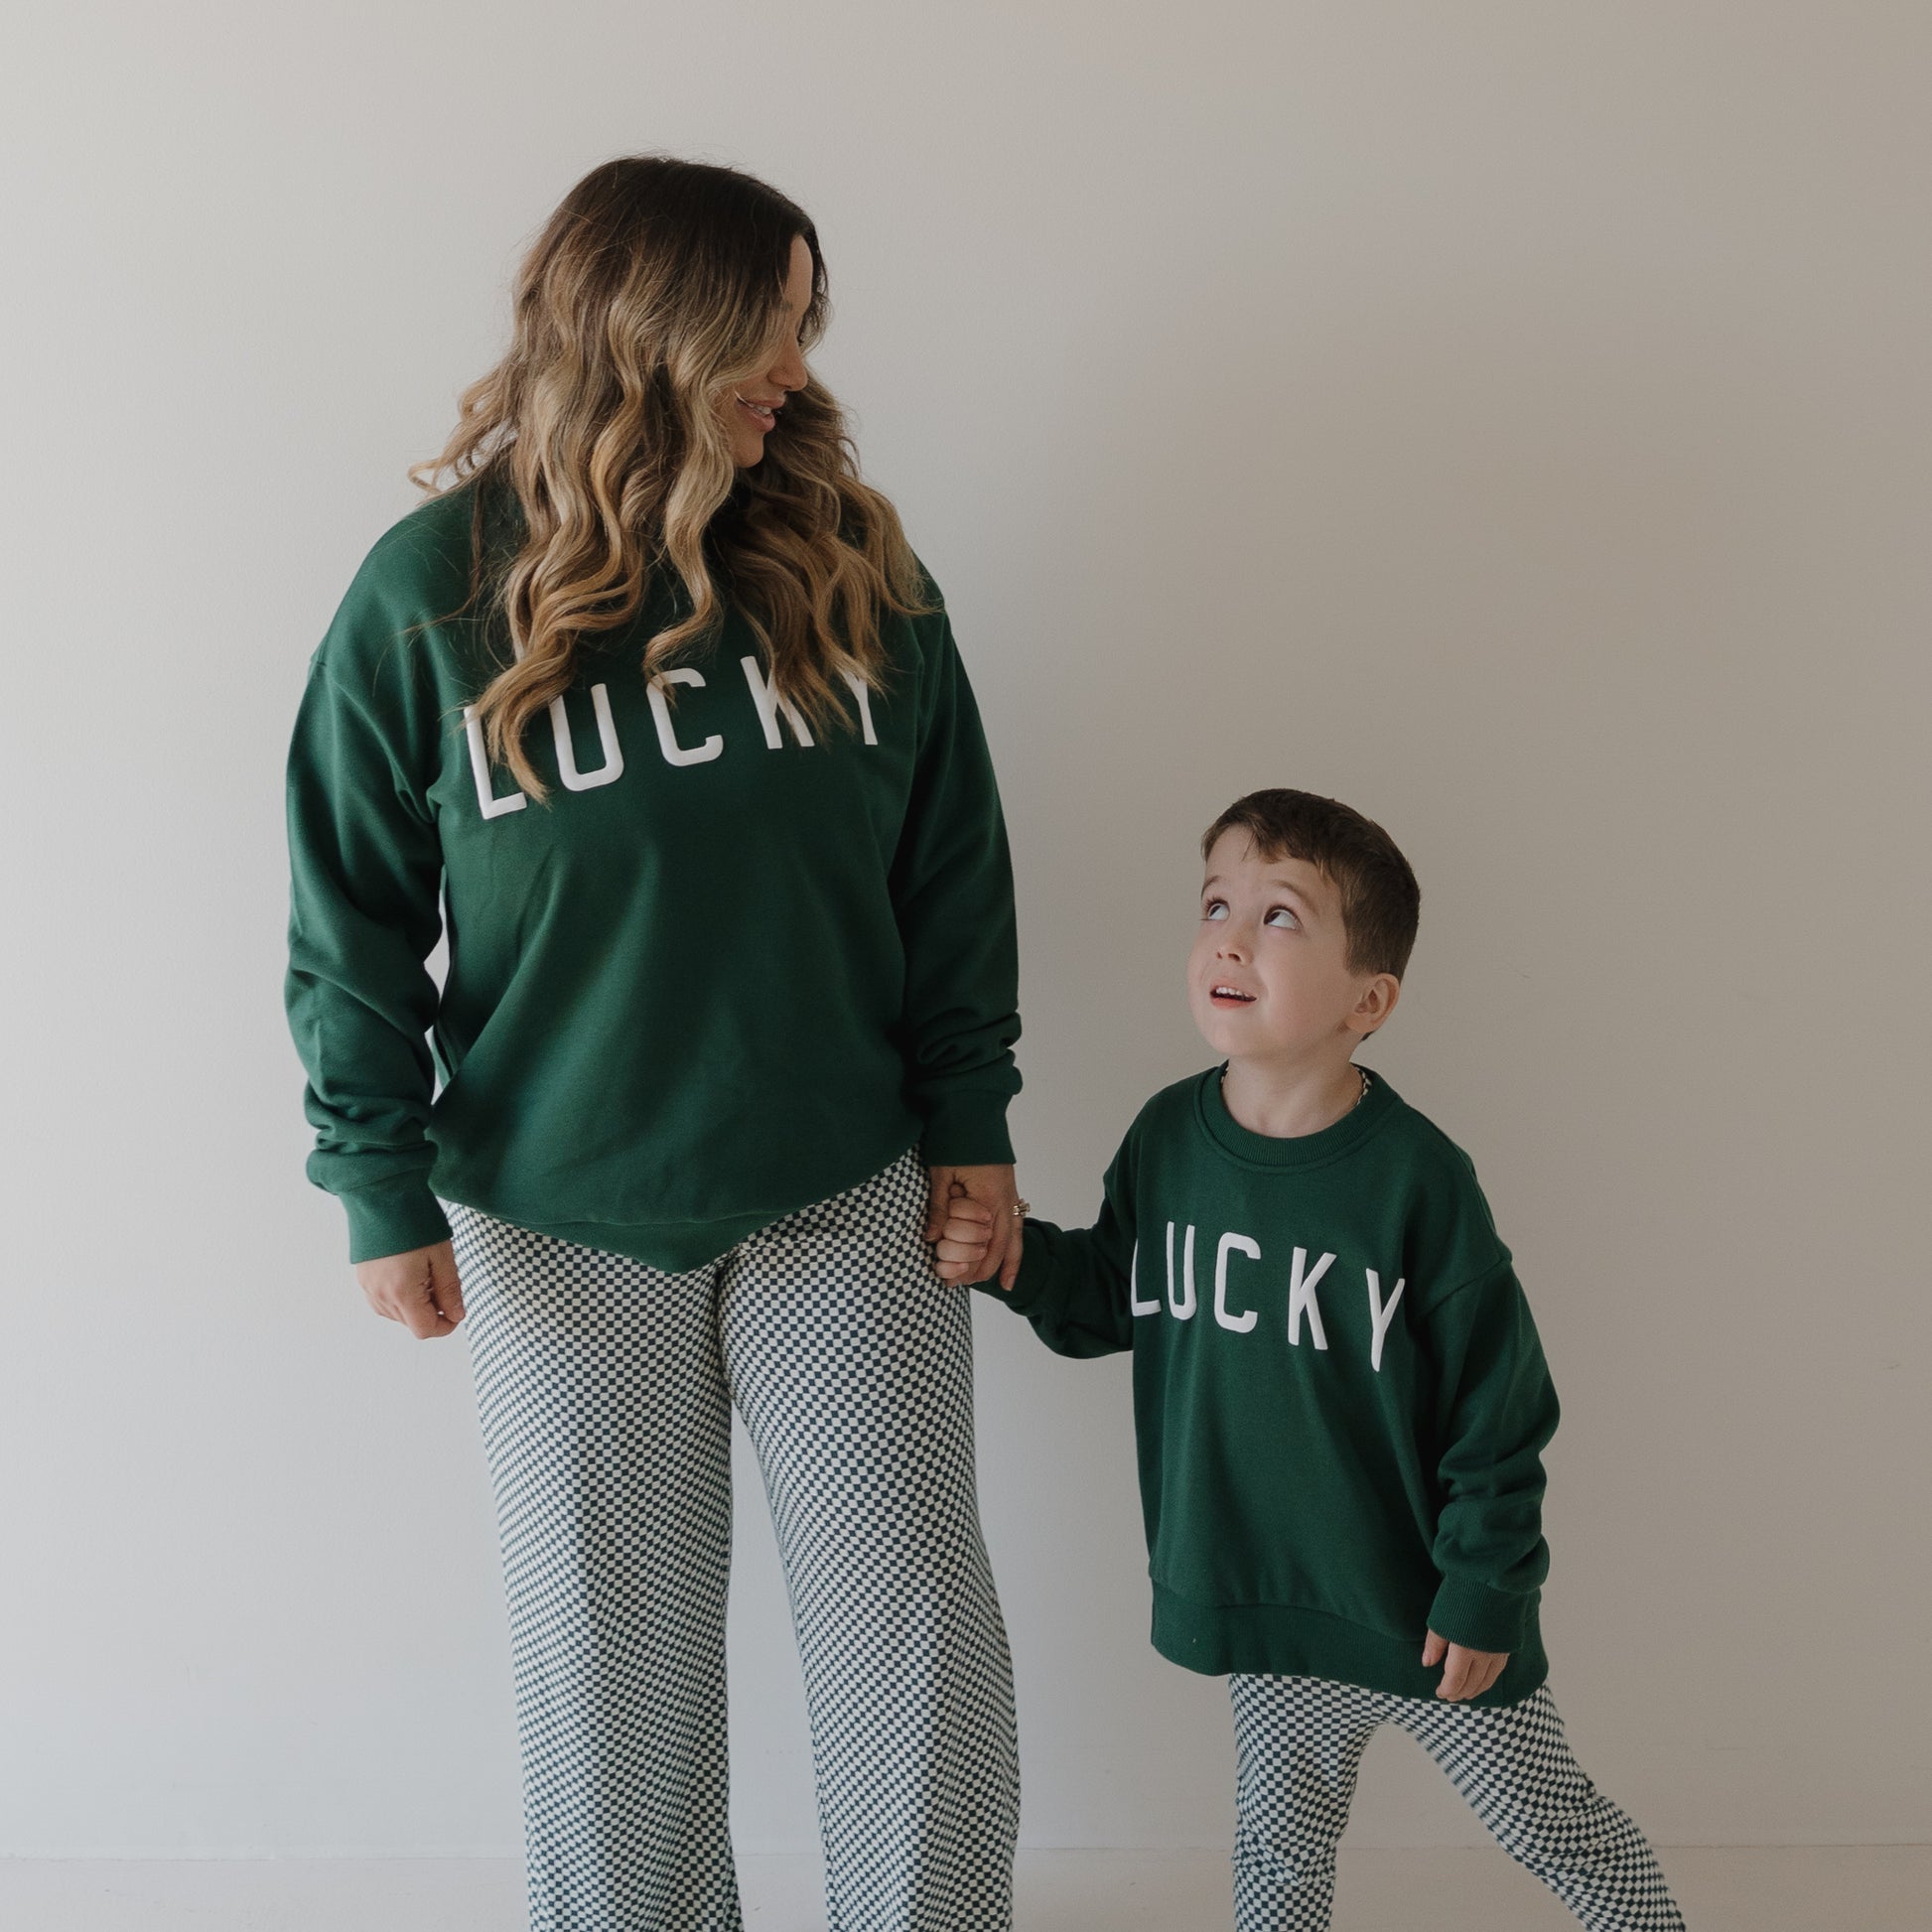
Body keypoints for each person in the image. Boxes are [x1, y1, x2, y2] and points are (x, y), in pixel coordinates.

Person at [285, 156, 1026, 1932]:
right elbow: (350, 914)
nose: (796, 361)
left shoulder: (849, 561)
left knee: (915, 1647)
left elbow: (953, 860)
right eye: (767, 323)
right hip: (558, 1216)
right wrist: (375, 1180)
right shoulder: (429, 595)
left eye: (801, 322)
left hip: (843, 1188)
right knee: (611, 1691)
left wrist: (971, 1118)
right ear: (655, 328)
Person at [937, 788, 1687, 1931]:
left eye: (1279, 916)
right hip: (1272, 1603)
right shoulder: (1166, 1140)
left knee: (1554, 1826)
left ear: (1367, 999)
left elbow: (1500, 1405)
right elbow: (1106, 1298)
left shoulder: (1415, 1182)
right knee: (1277, 1861)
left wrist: (1485, 1586)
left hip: (1423, 1612)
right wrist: (1013, 1257)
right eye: (1216, 903)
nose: (1229, 935)